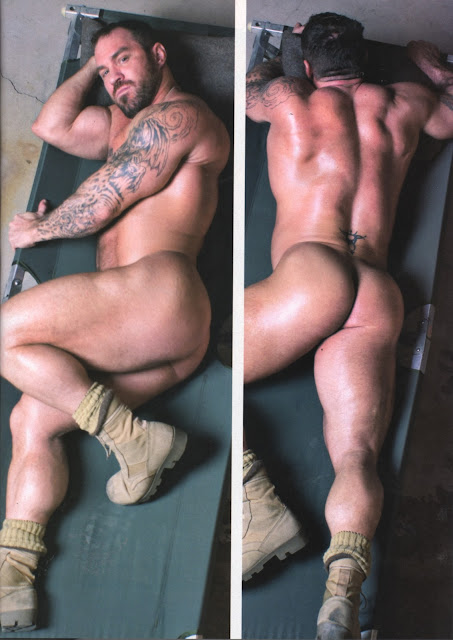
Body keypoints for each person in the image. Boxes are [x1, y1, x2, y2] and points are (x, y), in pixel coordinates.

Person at [0, 19, 229, 632]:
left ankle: (131, 437)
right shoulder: (116, 127)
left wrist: (40, 229)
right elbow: (49, 126)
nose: (113, 76)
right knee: (31, 420)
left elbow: (105, 198)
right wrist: (91, 59)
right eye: (104, 71)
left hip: (159, 292)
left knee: (3, 333)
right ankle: (15, 573)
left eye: (124, 59)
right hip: (146, 335)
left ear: (158, 54)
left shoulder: (179, 116)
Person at [243, 12, 453, 638]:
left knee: (193, 356)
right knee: (357, 454)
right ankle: (342, 594)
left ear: (308, 67)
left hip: (312, 272)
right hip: (377, 287)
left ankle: (258, 500)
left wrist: (281, 54)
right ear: (364, 62)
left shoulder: (289, 100)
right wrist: (432, 64)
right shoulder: (405, 105)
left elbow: (251, 89)